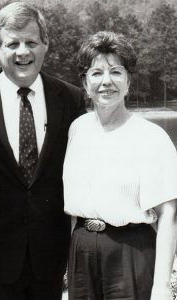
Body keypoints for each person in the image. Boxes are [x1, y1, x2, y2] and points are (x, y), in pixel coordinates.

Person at [0, 2, 86, 299]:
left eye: (31, 42)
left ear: (45, 45)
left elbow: (88, 165)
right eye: (12, 43)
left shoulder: (70, 98)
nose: (22, 52)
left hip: (50, 258)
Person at [63, 31, 177, 300]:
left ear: (128, 81)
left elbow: (169, 215)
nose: (106, 82)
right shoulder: (77, 129)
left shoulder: (151, 136)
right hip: (82, 251)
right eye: (96, 73)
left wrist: (162, 286)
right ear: (84, 83)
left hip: (131, 252)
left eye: (116, 72)